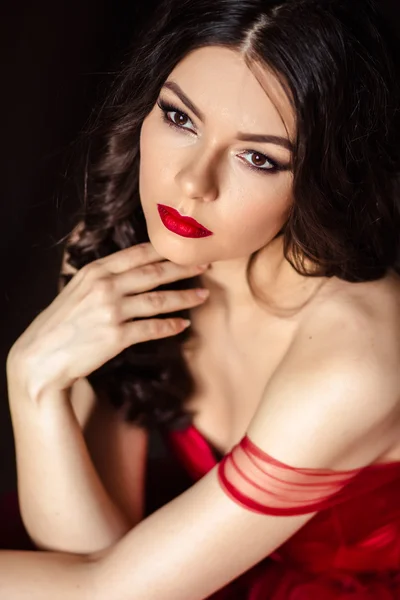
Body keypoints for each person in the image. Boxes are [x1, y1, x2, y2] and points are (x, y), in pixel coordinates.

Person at [2, 0, 400, 597]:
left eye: (258, 158)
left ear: (324, 175)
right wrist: (38, 394)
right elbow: (96, 554)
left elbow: (104, 591)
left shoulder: (358, 357)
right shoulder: (133, 264)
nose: (192, 182)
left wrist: (27, 376)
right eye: (180, 118)